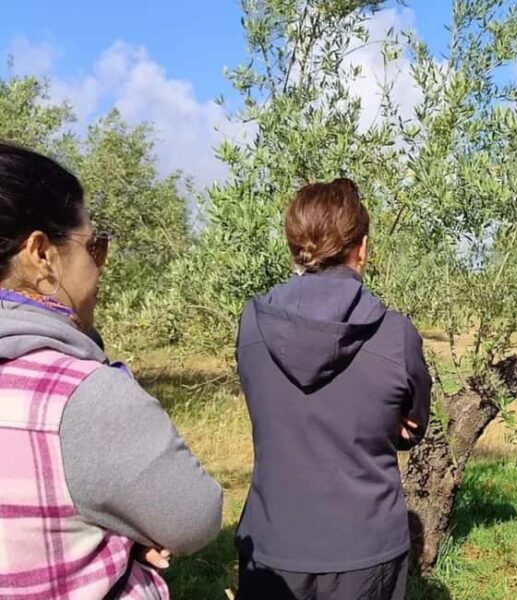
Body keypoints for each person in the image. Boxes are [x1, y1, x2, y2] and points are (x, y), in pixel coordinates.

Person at [0, 142, 223, 599]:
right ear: (41, 254)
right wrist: (128, 534)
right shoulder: (83, 398)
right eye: (94, 247)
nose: (100, 268)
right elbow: (196, 517)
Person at [234, 178, 432, 600]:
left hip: (272, 546)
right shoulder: (395, 334)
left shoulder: (252, 322)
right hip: (366, 551)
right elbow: (413, 426)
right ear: (362, 247)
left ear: (295, 248)